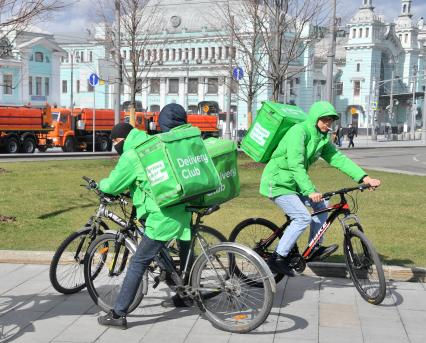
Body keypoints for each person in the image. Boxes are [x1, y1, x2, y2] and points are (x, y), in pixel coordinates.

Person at [97, 103, 192, 329]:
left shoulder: (132, 155)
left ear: (119, 141)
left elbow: (112, 185)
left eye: (114, 143)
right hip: (181, 207)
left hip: (163, 215)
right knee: (185, 250)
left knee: (138, 261)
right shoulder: (156, 142)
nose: (114, 147)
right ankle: (184, 293)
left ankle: (118, 313)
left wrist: (100, 185)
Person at [259, 101, 381, 277]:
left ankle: (314, 247)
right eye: (324, 120)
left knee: (323, 203)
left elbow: (338, 159)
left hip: (294, 183)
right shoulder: (298, 132)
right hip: (277, 182)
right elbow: (296, 165)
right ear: (315, 118)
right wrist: (310, 190)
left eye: (330, 121)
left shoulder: (322, 138)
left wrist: (365, 178)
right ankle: (277, 258)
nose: (327, 124)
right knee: (302, 218)